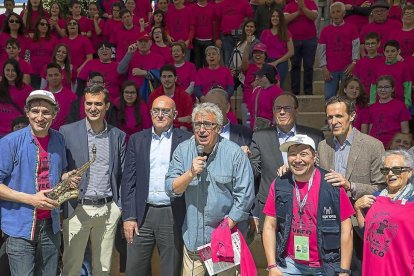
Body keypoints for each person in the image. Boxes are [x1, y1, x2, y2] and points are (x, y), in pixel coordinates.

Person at [165, 102, 255, 275]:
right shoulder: (183, 151)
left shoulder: (234, 154)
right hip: (194, 243)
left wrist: (225, 228)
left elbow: (244, 196)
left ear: (219, 128)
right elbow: (170, 188)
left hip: (224, 242)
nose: (202, 129)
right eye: (198, 124)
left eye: (208, 124)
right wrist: (190, 174)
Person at [0, 89, 78, 275]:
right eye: (35, 111)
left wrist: (67, 178)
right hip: (19, 228)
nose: (40, 117)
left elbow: (60, 172)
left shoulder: (59, 139)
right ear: (27, 113)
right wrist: (31, 199)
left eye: (46, 112)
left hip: (51, 226)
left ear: (54, 114)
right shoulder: (9, 142)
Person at [262, 135, 354, 276]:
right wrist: (272, 266)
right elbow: (269, 226)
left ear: (314, 157)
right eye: (292, 154)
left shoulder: (332, 185)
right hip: (289, 264)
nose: (298, 159)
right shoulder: (280, 184)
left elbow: (347, 230)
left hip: (326, 266)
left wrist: (344, 271)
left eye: (303, 154)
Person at [59, 85, 126, 275]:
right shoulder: (67, 132)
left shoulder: (118, 135)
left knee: (103, 269)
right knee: (71, 267)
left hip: (107, 209)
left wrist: (118, 207)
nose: (93, 108)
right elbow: (60, 168)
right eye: (89, 103)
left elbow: (122, 173)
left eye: (98, 104)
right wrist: (65, 177)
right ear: (84, 104)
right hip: (77, 208)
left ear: (107, 106)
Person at [121, 95, 191, 276]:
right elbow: (129, 180)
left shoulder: (187, 140)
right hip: (141, 214)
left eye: (165, 111)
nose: (160, 115)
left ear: (174, 114)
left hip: (172, 212)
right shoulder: (137, 139)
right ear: (150, 113)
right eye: (156, 111)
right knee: (134, 269)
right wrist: (129, 216)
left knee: (170, 269)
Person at [317, 96, 386, 276]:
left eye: (339, 116)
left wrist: (350, 185)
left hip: (360, 224)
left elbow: (382, 187)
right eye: (330, 117)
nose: (334, 121)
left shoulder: (373, 146)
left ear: (352, 116)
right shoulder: (323, 146)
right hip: (330, 223)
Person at [250, 92, 324, 230]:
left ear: (297, 110)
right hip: (271, 207)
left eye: (287, 108)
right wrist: (244, 159)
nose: (282, 112)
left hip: (307, 205)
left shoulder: (314, 136)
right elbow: (253, 173)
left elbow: (321, 169)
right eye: (278, 108)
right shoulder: (260, 137)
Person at [354, 150, 414, 276]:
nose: (390, 174)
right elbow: (367, 234)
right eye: (386, 170)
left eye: (397, 169)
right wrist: (358, 209)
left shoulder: (412, 201)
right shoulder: (376, 198)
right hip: (372, 268)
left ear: (409, 172)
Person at [317, 2, 359, 101]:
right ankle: (329, 116)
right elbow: (321, 50)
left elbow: (356, 47)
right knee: (329, 97)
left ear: (343, 13)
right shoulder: (325, 30)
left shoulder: (352, 28)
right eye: (333, 12)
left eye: (338, 12)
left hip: (347, 69)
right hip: (331, 70)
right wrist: (324, 68)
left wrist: (354, 63)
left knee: (349, 97)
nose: (336, 14)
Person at [365, 75, 411, 148]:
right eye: (380, 87)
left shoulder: (400, 106)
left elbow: (405, 131)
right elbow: (370, 130)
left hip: (393, 145)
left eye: (386, 87)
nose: (383, 90)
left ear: (392, 89)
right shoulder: (371, 107)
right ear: (376, 89)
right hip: (374, 145)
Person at [284, 0, 318, 95]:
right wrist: (298, 12)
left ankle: (308, 91)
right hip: (293, 40)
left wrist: (303, 8)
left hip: (310, 39)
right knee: (295, 66)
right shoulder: (289, 5)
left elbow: (314, 16)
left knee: (309, 66)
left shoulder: (311, 3)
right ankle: (295, 91)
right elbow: (285, 20)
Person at [148, 65, 193, 130]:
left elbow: (188, 120)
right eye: (164, 77)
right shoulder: (154, 96)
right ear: (160, 79)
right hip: (160, 130)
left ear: (175, 78)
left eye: (170, 76)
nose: (167, 79)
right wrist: (179, 120)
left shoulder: (185, 96)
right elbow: (155, 119)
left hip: (180, 131)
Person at [260, 8, 294, 88]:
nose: (275, 18)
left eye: (277, 16)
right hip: (267, 62)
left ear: (281, 19)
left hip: (281, 63)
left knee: (277, 87)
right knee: (266, 87)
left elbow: (291, 52)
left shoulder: (286, 33)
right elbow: (261, 50)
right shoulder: (265, 32)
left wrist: (276, 62)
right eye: (273, 16)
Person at [0, 59, 32, 137]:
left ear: (18, 72)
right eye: (7, 70)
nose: (10, 73)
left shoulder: (27, 89)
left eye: (13, 70)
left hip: (18, 132)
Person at [250, 63, 283, 130]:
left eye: (260, 77)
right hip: (255, 128)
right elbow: (251, 111)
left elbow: (279, 113)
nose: (258, 79)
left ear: (267, 77)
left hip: (270, 130)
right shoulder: (256, 91)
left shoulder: (278, 92)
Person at [45, 62, 77, 130]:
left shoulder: (72, 96)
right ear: (46, 77)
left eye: (56, 75)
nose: (53, 78)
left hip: (65, 134)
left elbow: (74, 119)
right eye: (50, 75)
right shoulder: (41, 95)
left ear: (62, 76)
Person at [28, 17, 58, 89]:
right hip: (33, 72)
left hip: (48, 73)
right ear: (37, 26)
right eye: (42, 24)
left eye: (46, 25)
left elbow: (57, 56)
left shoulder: (53, 39)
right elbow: (26, 55)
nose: (45, 26)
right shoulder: (30, 39)